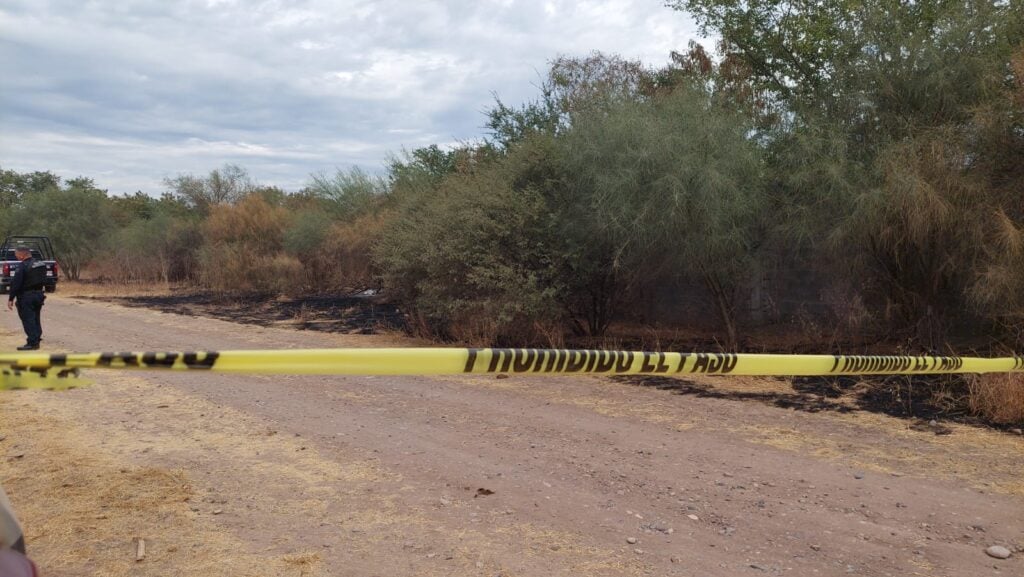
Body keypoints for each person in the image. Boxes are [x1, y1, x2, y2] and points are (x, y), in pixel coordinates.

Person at [6, 247, 47, 350]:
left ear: (22, 255)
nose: (16, 257)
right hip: (39, 294)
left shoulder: (22, 266)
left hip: (26, 296)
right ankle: (36, 338)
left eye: (16, 255)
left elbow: (16, 284)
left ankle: (32, 343)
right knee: (35, 318)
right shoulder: (40, 264)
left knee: (28, 319)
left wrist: (11, 298)